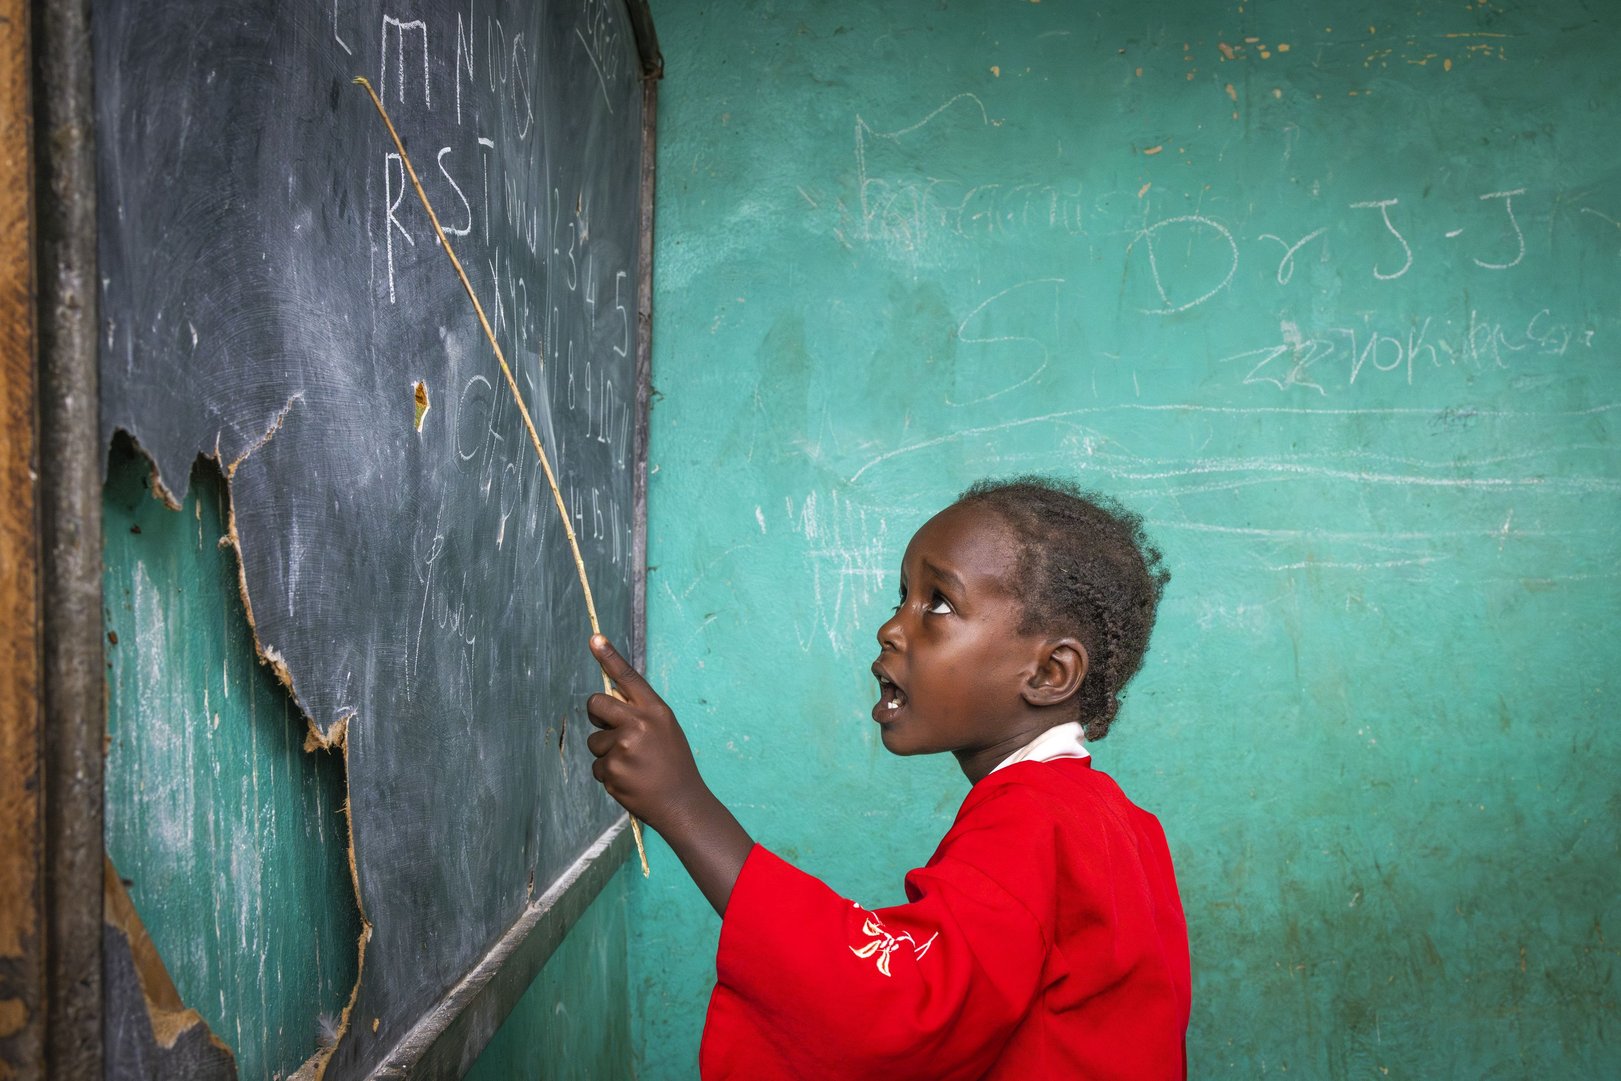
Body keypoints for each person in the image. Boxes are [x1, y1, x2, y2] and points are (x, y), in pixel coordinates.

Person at [586, 476, 1190, 1080]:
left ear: (1051, 673)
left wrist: (684, 806)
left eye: (939, 604)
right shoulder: (1119, 820)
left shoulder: (1031, 819)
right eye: (902, 597)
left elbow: (898, 1007)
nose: (892, 628)